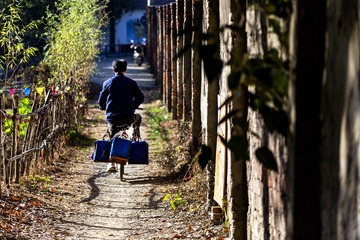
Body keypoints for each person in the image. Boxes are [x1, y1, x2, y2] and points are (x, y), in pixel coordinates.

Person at [98, 59, 144, 173]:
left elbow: (101, 100)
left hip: (113, 118)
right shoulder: (131, 82)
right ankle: (135, 134)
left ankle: (111, 163)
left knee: (111, 135)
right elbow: (140, 97)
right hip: (128, 117)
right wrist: (133, 106)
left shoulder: (107, 83)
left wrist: (103, 107)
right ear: (125, 70)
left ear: (113, 70)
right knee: (138, 117)